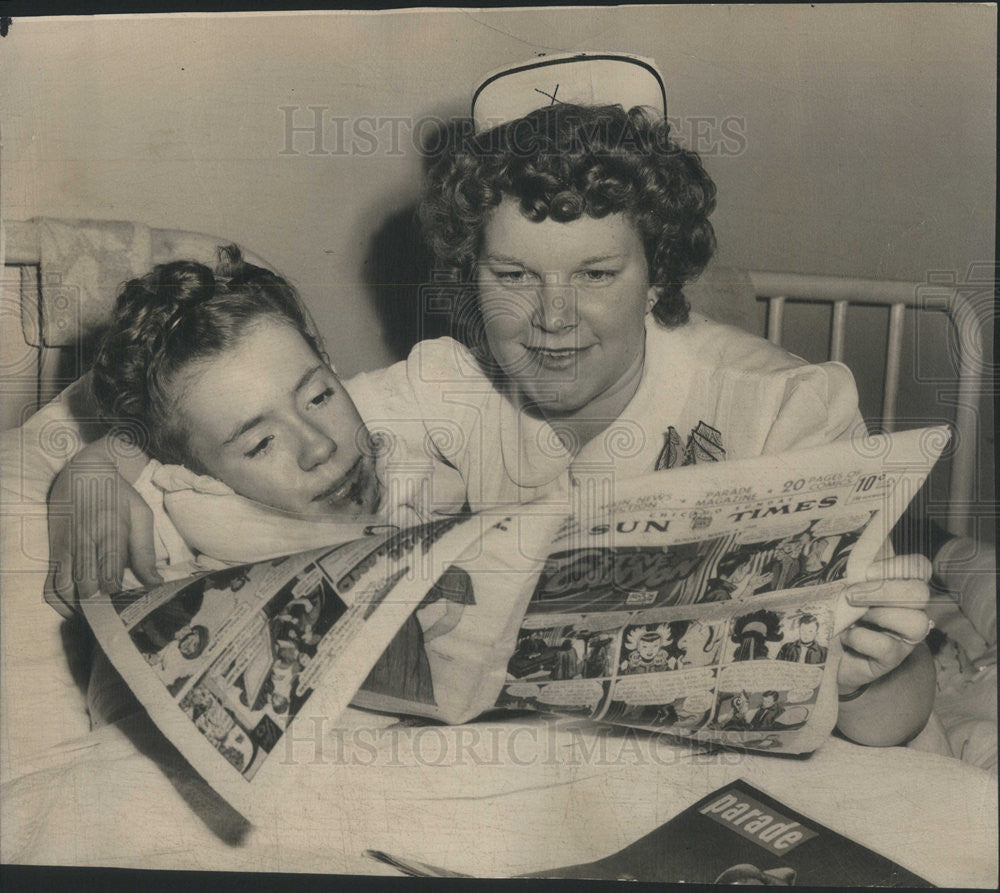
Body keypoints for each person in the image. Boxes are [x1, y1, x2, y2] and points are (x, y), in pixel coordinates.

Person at [46, 53, 935, 746]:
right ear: (471, 272)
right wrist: (99, 456)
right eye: (513, 274)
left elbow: (887, 723)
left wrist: (874, 668)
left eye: (595, 273)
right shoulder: (451, 382)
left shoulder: (785, 410)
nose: (551, 321)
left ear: (657, 266)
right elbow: (250, 415)